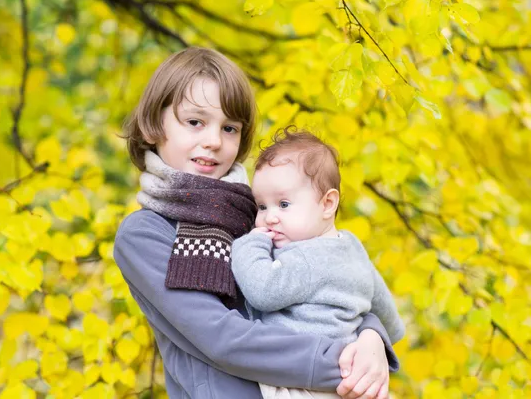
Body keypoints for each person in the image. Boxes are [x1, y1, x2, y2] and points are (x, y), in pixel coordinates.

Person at [113, 46, 399, 399]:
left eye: (229, 128)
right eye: (195, 122)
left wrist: (371, 339)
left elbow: (334, 277)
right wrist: (345, 363)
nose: (214, 141)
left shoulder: (263, 212)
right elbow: (221, 338)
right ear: (153, 126)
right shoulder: (146, 234)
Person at [231, 128, 405, 399]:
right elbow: (390, 319)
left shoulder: (305, 258)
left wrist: (248, 245)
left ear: (328, 204)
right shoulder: (352, 247)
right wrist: (373, 338)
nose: (269, 217)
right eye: (262, 206)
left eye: (284, 204)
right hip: (341, 379)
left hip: (302, 385)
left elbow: (262, 291)